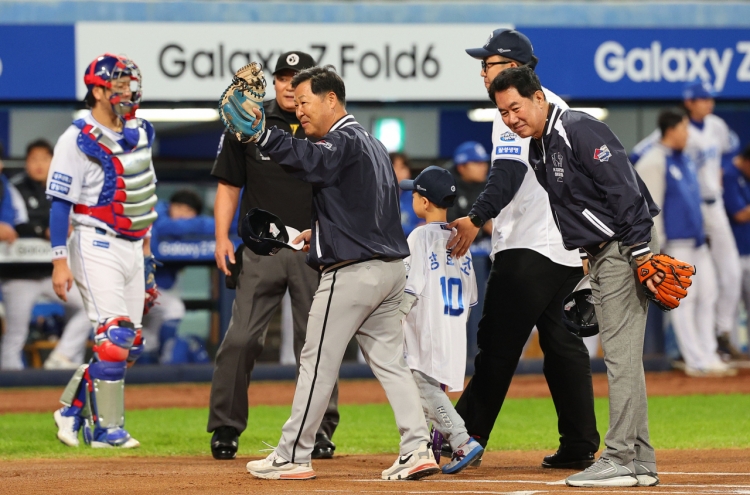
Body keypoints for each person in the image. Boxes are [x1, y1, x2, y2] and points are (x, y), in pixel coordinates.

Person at [244, 65, 439, 481]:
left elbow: (311, 162)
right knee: (390, 362)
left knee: (316, 362)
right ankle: (417, 447)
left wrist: (265, 135)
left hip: (354, 275)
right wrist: (320, 235)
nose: (299, 112)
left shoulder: (342, 139)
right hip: (389, 271)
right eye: (294, 105)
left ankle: (294, 454)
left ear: (331, 99)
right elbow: (365, 209)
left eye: (305, 102)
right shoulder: (372, 142)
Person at [485, 65, 665, 487]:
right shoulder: (538, 148)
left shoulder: (577, 129)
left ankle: (620, 457)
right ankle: (640, 461)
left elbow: (625, 190)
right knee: (625, 361)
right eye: (503, 113)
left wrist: (640, 254)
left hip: (625, 247)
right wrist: (587, 254)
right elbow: (577, 207)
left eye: (515, 108)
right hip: (603, 253)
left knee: (619, 359)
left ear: (538, 98)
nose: (511, 119)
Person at [447, 29, 600, 470]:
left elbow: (508, 173)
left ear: (515, 67)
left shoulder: (513, 107)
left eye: (490, 63)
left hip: (529, 246)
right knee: (564, 345)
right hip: (566, 248)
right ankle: (579, 443)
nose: (484, 70)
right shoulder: (556, 104)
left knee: (496, 344)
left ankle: (464, 437)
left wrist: (475, 218)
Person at [209, 51, 339, 461]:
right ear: (274, 82)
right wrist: (221, 238)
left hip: (313, 249)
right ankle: (225, 428)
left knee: (317, 342)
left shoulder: (324, 124)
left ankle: (317, 429)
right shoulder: (247, 120)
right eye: (282, 77)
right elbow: (229, 185)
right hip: (261, 247)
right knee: (241, 339)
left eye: (296, 78)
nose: (287, 84)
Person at [49, 53, 158, 449]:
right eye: (118, 84)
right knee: (114, 336)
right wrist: (59, 259)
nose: (127, 91)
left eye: (130, 83)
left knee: (130, 345)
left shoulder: (142, 131)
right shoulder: (76, 137)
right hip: (94, 241)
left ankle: (71, 410)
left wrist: (146, 253)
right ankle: (107, 431)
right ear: (97, 90)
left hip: (134, 247)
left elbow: (143, 194)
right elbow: (60, 202)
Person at [632, 80, 743, 359]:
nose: (709, 103)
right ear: (689, 102)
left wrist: (719, 172)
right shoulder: (668, 143)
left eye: (710, 99)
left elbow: (732, 150)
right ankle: (695, 354)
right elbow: (640, 154)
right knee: (689, 290)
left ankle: (720, 334)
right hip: (686, 214)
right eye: (703, 99)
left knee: (729, 276)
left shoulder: (716, 127)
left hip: (711, 205)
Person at [399, 166, 483, 474]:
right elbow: (472, 297)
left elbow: (410, 288)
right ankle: (425, 450)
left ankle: (461, 440)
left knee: (422, 386)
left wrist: (392, 323)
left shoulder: (419, 236)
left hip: (427, 327)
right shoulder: (462, 239)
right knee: (428, 389)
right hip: (453, 326)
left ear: (422, 201)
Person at [0, 140, 92, 370]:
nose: (39, 164)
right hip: (19, 274)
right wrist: (44, 231)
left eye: (44, 158)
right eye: (33, 159)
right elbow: (18, 224)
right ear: (26, 163)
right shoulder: (14, 187)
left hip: (53, 272)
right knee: (15, 333)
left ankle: (60, 359)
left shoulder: (65, 187)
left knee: (91, 307)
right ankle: (12, 392)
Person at [140, 189, 213, 364]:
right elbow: (167, 226)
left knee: (148, 340)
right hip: (134, 286)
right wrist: (197, 224)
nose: (182, 214)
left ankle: (157, 371)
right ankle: (166, 362)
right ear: (170, 205)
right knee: (174, 308)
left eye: (189, 211)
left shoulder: (179, 227)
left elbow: (219, 226)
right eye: (178, 207)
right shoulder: (155, 213)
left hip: (155, 291)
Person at [448, 141, 491, 360]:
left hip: (487, 262)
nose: (483, 166)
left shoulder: (489, 187)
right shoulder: (449, 186)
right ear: (462, 166)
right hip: (454, 263)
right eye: (477, 162)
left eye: (484, 162)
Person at [723, 143, 750, 359]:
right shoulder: (731, 174)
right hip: (733, 252)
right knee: (730, 303)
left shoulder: (742, 176)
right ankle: (730, 351)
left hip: (745, 251)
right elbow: (740, 214)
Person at [391, 152, 422, 236]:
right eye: (393, 166)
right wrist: (414, 229)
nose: (398, 172)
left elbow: (424, 226)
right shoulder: (377, 196)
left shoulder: (417, 195)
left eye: (402, 167)